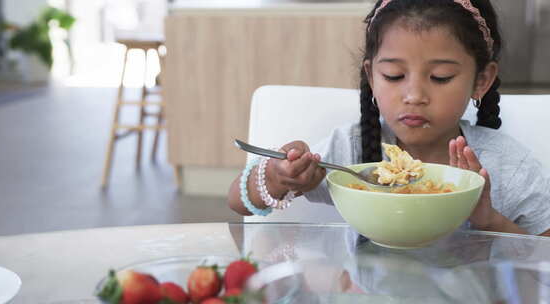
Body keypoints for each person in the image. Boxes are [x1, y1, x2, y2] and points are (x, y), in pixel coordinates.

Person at [228, 0, 550, 236]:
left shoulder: (508, 166)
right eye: (394, 75)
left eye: (440, 77)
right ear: (371, 75)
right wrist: (278, 176)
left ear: (481, 80)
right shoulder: (352, 151)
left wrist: (488, 221)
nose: (413, 95)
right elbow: (239, 202)